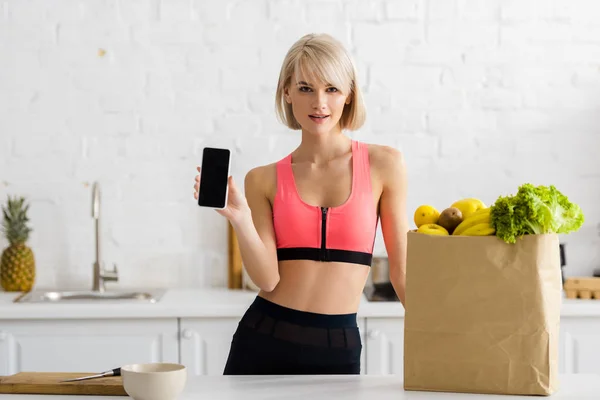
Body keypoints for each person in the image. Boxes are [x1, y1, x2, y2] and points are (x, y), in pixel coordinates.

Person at [193, 33, 408, 375]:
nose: (319, 103)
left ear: (349, 94)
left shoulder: (385, 165)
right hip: (263, 340)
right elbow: (266, 278)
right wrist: (239, 218)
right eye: (306, 88)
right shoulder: (262, 179)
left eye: (332, 89)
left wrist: (441, 336)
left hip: (338, 348)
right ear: (287, 92)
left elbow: (402, 273)